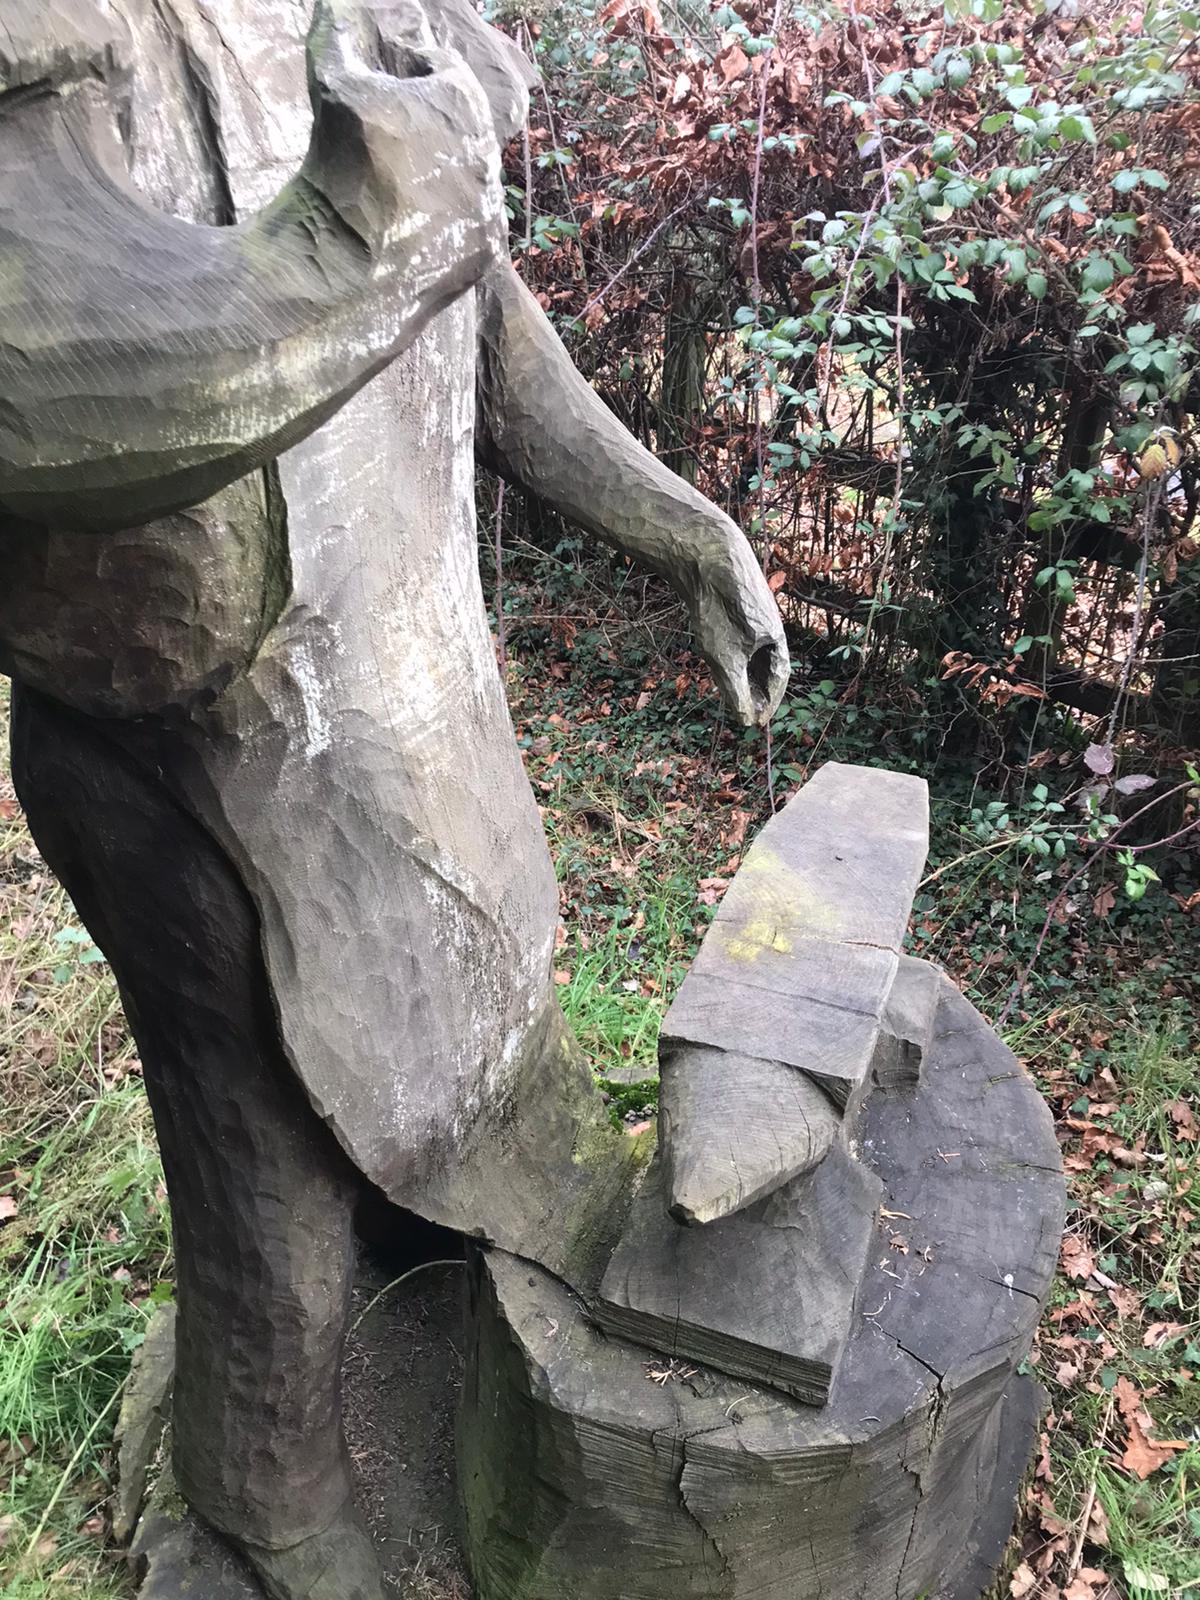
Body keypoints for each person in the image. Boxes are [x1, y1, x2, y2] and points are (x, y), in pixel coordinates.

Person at [0, 2, 788, 1594]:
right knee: (265, 1166)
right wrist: (366, 236)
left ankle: (441, 1232)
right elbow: (45, 363)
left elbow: (472, 308)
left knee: (478, 1014)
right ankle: (268, 1496)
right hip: (184, 749)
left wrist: (682, 525)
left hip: (403, 685)